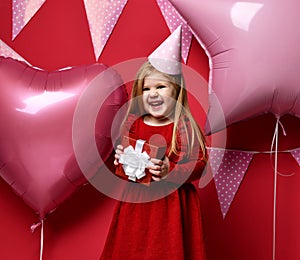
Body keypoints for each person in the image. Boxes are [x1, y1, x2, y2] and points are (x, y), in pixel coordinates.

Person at [100, 26, 207, 260]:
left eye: (160, 87)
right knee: (133, 248)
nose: (153, 94)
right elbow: (125, 164)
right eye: (146, 88)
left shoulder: (184, 125)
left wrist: (172, 170)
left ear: (176, 91)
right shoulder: (133, 123)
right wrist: (122, 160)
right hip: (137, 204)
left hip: (171, 208)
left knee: (166, 251)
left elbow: (199, 162)